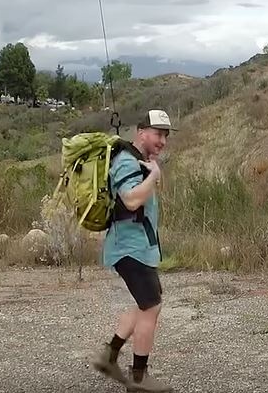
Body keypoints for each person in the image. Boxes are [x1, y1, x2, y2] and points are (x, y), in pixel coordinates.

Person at [92, 109, 175, 392]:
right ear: (141, 132)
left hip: (138, 247)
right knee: (151, 307)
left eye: (165, 135)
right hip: (129, 248)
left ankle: (109, 355)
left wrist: (150, 171)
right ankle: (139, 379)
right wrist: (154, 176)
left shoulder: (139, 161)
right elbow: (130, 201)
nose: (162, 141)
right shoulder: (127, 162)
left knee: (146, 304)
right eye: (157, 134)